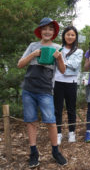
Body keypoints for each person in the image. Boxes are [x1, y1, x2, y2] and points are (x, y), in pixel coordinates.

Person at [17, 17, 67, 168]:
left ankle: (55, 151)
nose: (47, 31)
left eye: (50, 29)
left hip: (45, 90)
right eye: (44, 29)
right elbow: (20, 64)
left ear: (54, 32)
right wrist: (34, 54)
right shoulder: (33, 45)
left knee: (51, 121)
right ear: (40, 31)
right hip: (29, 90)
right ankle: (33, 152)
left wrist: (59, 59)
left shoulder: (58, 47)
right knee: (31, 121)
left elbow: (63, 70)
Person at [54, 26, 83, 145]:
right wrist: (65, 62)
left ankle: (72, 132)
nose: (70, 37)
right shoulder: (57, 48)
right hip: (58, 81)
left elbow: (75, 65)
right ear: (64, 35)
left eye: (72, 35)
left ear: (75, 37)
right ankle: (58, 133)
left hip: (71, 82)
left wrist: (60, 59)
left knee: (71, 109)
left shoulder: (79, 51)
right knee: (57, 109)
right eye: (68, 34)